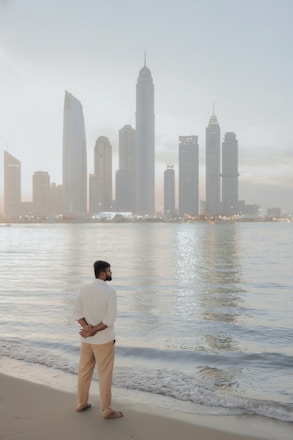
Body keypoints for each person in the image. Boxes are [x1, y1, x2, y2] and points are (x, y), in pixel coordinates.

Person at [74, 260, 123, 419]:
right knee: (105, 375)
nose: (111, 273)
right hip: (104, 341)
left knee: (84, 372)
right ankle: (107, 410)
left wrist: (87, 329)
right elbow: (110, 320)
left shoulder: (84, 289)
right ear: (102, 273)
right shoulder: (110, 292)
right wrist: (93, 330)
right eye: (109, 271)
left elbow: (77, 313)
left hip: (87, 341)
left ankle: (81, 403)